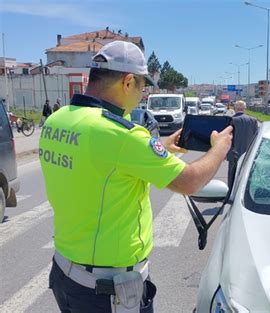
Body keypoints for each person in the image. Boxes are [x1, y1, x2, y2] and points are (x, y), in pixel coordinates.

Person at [40, 40, 232, 313]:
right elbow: (189, 181)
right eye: (142, 86)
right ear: (128, 82)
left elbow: (99, 164)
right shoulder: (121, 135)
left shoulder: (58, 120)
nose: (142, 95)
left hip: (66, 274)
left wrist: (160, 149)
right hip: (107, 290)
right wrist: (220, 149)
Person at [226, 100, 258, 187]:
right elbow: (256, 138)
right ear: (245, 109)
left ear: (235, 108)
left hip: (233, 153)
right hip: (248, 153)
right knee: (246, 175)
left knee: (232, 175)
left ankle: (231, 194)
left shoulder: (231, 120)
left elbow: (226, 138)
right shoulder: (253, 120)